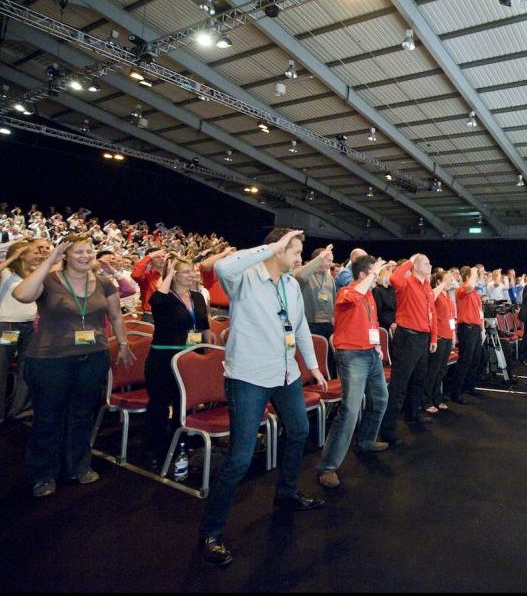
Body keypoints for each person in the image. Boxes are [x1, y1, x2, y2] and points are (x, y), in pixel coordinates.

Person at [198, 228, 328, 567]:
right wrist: (271, 246)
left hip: (286, 373)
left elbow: (298, 327)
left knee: (299, 431)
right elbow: (221, 268)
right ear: (278, 249)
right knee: (240, 458)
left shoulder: (290, 285)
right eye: (295, 251)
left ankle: (286, 493)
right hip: (248, 377)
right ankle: (211, 532)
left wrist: (312, 366)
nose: (300, 259)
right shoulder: (244, 278)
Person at [13, 234, 136, 497]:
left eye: (89, 251)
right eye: (78, 252)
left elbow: (115, 315)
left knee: (82, 415)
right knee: (48, 417)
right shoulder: (49, 279)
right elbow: (22, 294)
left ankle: (77, 467)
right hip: (50, 359)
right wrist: (49, 261)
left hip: (93, 356)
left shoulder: (103, 283)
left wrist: (123, 344)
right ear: (66, 255)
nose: (86, 256)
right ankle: (43, 474)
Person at [316, 255, 390, 489]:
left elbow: (372, 322)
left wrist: (377, 344)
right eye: (373, 273)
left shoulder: (369, 296)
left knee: (380, 399)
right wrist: (374, 274)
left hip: (370, 354)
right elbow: (356, 294)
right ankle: (328, 466)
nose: (378, 277)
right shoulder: (346, 291)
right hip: (352, 356)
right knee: (350, 410)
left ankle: (365, 441)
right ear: (363, 274)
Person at [141, 256, 215, 469]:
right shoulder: (166, 296)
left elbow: (202, 323)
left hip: (191, 357)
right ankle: (154, 450)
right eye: (185, 272)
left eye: (192, 271)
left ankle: (179, 443)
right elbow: (156, 301)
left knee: (184, 404)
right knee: (160, 405)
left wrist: (208, 338)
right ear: (172, 275)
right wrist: (170, 273)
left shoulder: (197, 297)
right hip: (165, 358)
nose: (191, 275)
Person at [379, 253, 438, 442]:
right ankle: (388, 430)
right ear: (415, 266)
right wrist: (410, 261)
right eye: (426, 263)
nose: (430, 265)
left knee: (418, 380)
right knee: (399, 385)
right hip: (407, 338)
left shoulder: (427, 286)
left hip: (422, 338)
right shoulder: (406, 282)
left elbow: (432, 313)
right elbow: (394, 277)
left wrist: (433, 336)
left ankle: (412, 414)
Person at [1, 241, 43, 421]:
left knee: (27, 368)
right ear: (22, 254)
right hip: (8, 327)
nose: (38, 254)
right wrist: (11, 257)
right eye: (34, 252)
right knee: (2, 367)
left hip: (30, 328)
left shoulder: (34, 273)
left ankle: (17, 409)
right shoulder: (6, 272)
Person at [295, 245, 337, 378]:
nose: (330, 264)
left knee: (329, 358)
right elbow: (300, 277)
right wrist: (320, 258)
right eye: (327, 260)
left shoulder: (329, 278)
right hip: (310, 323)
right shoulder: (305, 273)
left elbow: (334, 298)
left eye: (331, 261)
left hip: (327, 324)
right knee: (312, 357)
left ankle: (330, 379)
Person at [422, 268, 455, 414]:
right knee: (433, 370)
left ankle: (437, 397)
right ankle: (426, 399)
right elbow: (430, 298)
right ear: (439, 281)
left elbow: (450, 318)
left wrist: (453, 336)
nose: (450, 282)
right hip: (439, 336)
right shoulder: (435, 292)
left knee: (442, 370)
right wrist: (441, 285)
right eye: (447, 280)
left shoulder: (447, 295)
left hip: (448, 336)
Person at [450, 266, 483, 404]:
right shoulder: (462, 289)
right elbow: (469, 286)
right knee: (465, 361)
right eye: (473, 276)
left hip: (475, 328)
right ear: (467, 277)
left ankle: (469, 386)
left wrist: (482, 329)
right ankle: (455, 393)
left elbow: (480, 311)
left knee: (475, 359)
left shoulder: (474, 292)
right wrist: (474, 271)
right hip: (467, 328)